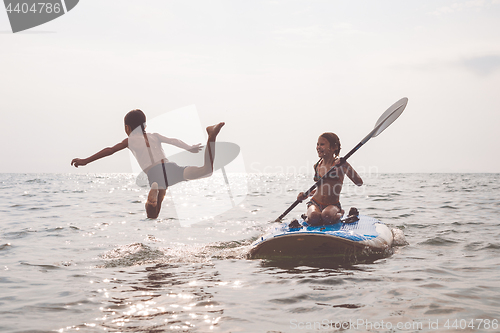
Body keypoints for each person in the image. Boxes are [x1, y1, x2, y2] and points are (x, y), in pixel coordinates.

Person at [71, 109, 225, 219]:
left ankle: (152, 198)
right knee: (206, 170)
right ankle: (211, 136)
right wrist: (189, 148)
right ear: (145, 126)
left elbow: (110, 150)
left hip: (154, 174)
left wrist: (85, 161)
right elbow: (173, 140)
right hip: (170, 168)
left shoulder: (129, 140)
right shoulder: (155, 136)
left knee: (153, 214)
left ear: (127, 128)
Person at [297, 132, 363, 225]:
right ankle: (307, 216)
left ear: (334, 147)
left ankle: (340, 213)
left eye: (322, 144)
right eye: (317, 144)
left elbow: (359, 182)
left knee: (327, 216)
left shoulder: (340, 166)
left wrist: (346, 165)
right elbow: (321, 188)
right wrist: (306, 194)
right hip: (315, 203)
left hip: (332, 205)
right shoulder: (317, 166)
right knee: (314, 217)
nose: (318, 147)